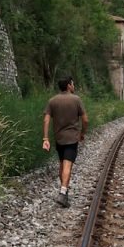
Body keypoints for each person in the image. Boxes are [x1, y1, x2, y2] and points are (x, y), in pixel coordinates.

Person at [42, 76, 88, 207]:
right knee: (67, 166)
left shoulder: (52, 101)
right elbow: (85, 120)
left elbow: (46, 120)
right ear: (68, 85)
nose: (74, 86)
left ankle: (64, 192)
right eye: (73, 84)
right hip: (71, 138)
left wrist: (45, 138)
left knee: (62, 165)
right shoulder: (76, 99)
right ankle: (62, 193)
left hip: (59, 138)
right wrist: (83, 133)